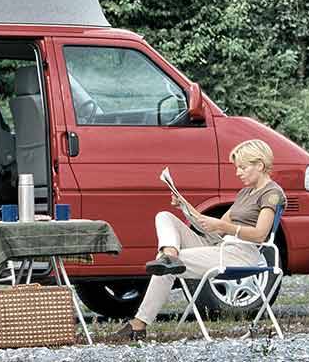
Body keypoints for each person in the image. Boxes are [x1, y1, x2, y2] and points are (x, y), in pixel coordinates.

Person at [110, 139, 286, 341]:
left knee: (170, 265)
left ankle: (139, 324)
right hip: (220, 246)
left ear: (260, 165)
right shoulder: (245, 193)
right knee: (164, 216)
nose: (238, 173)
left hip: (240, 255)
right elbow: (212, 226)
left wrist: (223, 227)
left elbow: (260, 234)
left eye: (243, 168)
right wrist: (184, 206)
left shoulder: (272, 194)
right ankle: (169, 256)